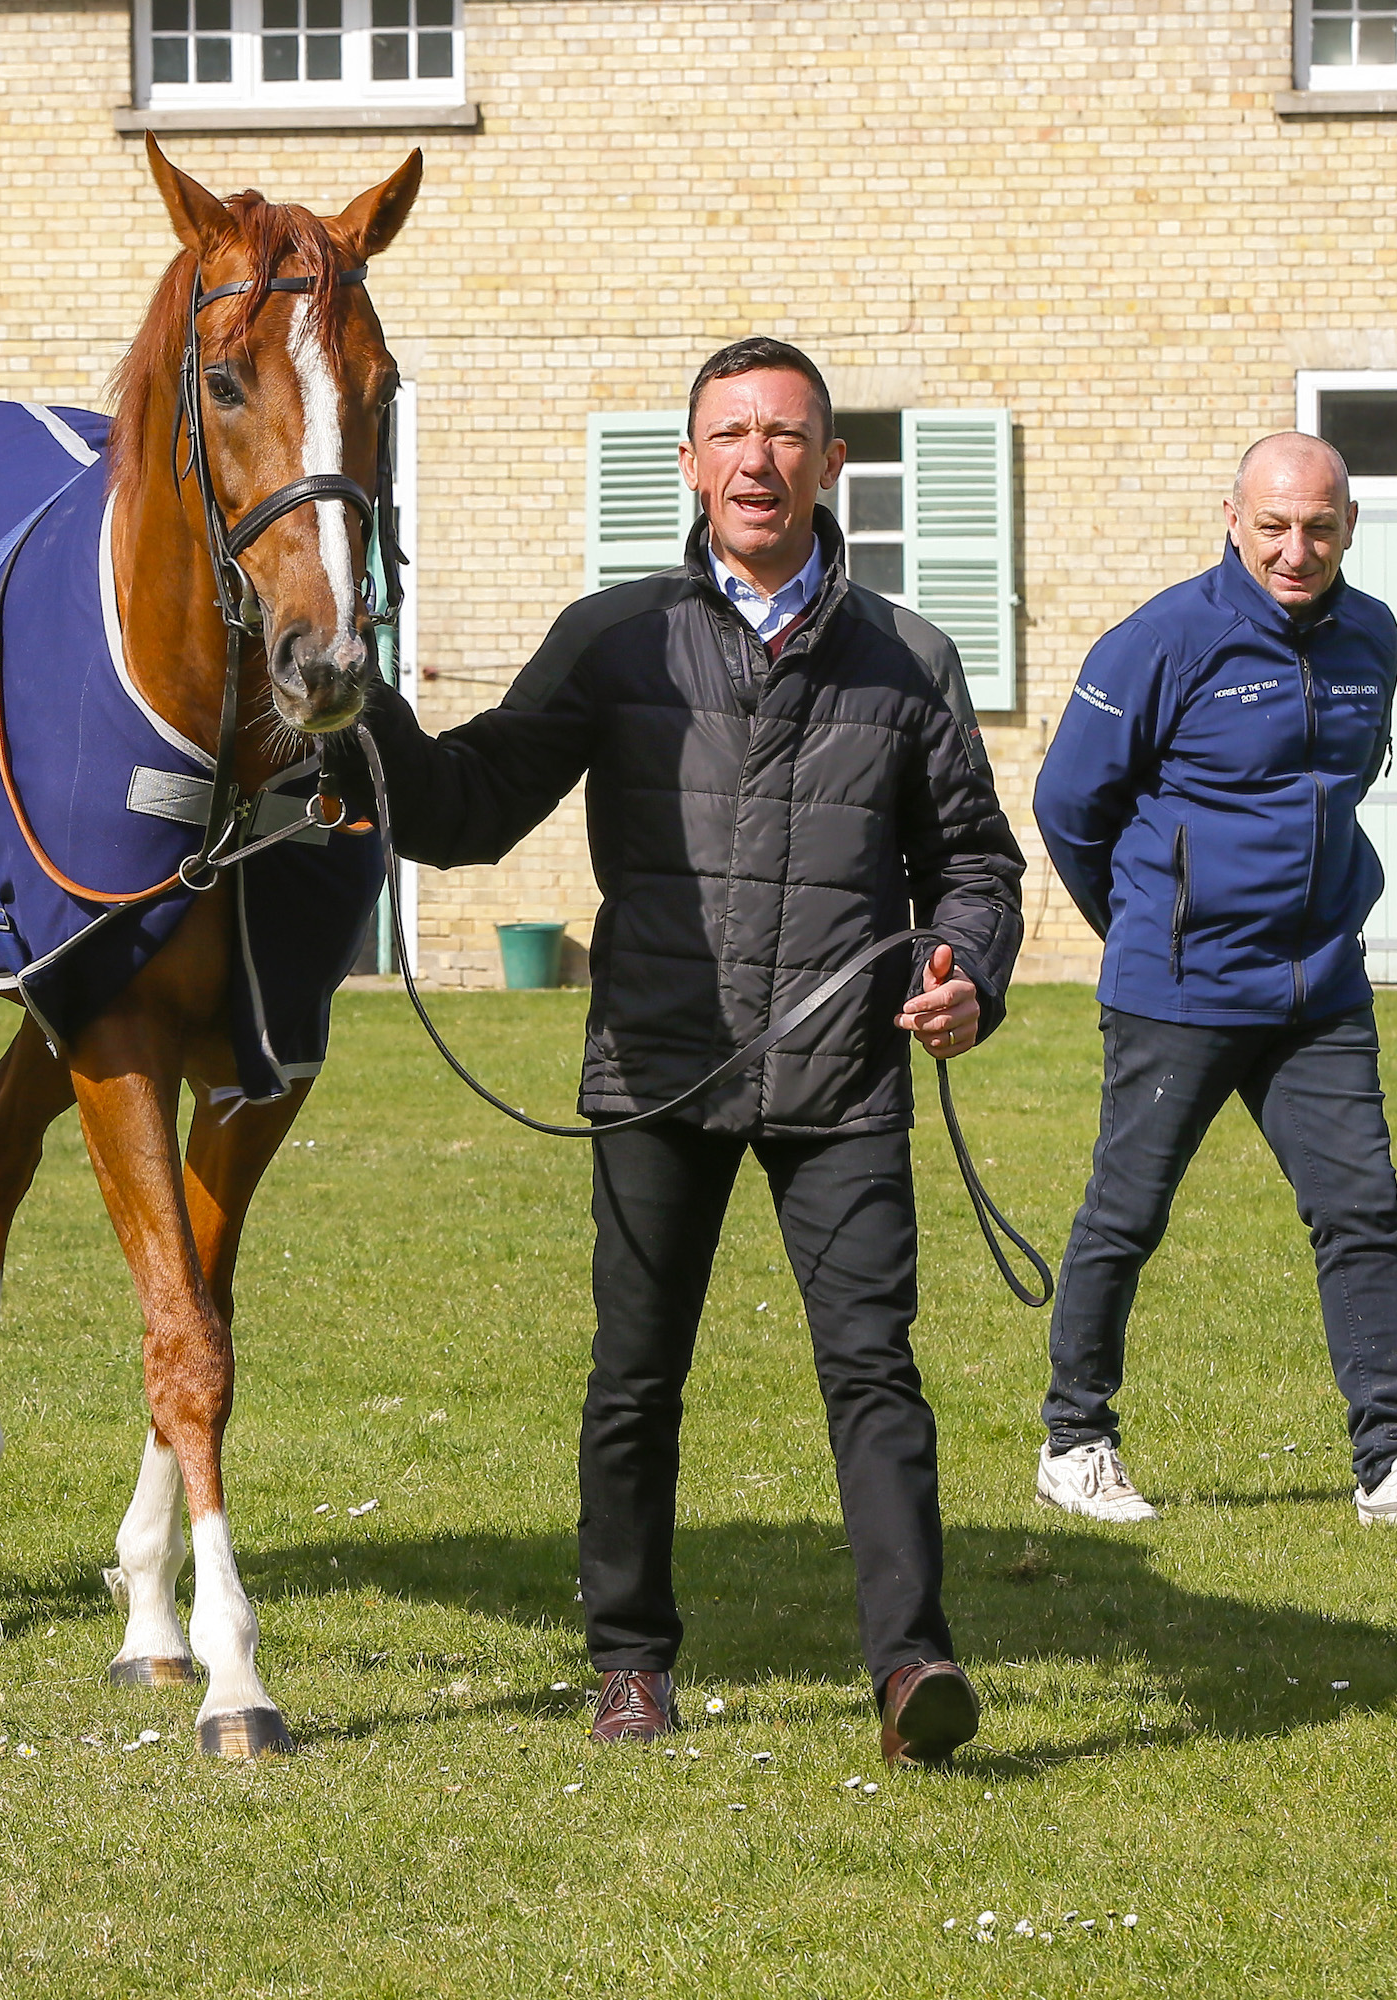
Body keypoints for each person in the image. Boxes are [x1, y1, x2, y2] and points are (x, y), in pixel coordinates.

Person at [334, 337, 1025, 1768]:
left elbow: (974, 864)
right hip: (658, 1068)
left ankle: (913, 1671)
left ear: (832, 465)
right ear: (691, 466)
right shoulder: (617, 639)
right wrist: (364, 700)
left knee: (874, 1374)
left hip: (841, 1078)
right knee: (635, 1380)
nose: (759, 460)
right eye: (731, 435)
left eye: (787, 435)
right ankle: (632, 1666)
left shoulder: (911, 657)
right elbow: (468, 808)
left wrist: (971, 970)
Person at [1029, 431, 1397, 1534]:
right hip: (1179, 987)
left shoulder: (1371, 636)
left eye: (1319, 527)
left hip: (1319, 988)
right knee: (1126, 1213)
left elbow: (1345, 782)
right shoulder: (1158, 640)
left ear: (1349, 525)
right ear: (1232, 518)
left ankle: (1392, 1464)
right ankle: (1075, 1442)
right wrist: (1151, 925)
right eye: (1274, 526)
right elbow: (1068, 805)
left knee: (1360, 1212)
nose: (1295, 549)